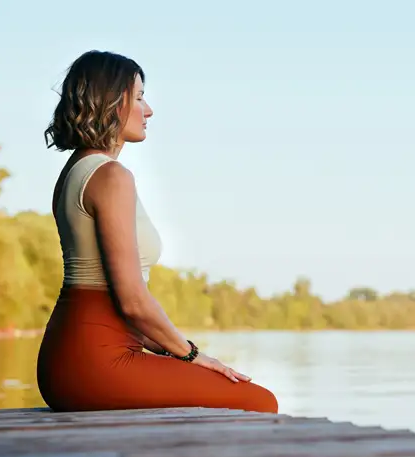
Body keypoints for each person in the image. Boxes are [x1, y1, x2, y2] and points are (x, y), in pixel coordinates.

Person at [36, 50, 278, 413]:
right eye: (138, 98)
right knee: (259, 402)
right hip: (94, 364)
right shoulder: (110, 176)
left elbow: (117, 304)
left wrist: (173, 351)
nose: (148, 110)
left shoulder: (75, 171)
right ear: (110, 102)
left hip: (70, 358)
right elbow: (132, 302)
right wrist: (192, 355)